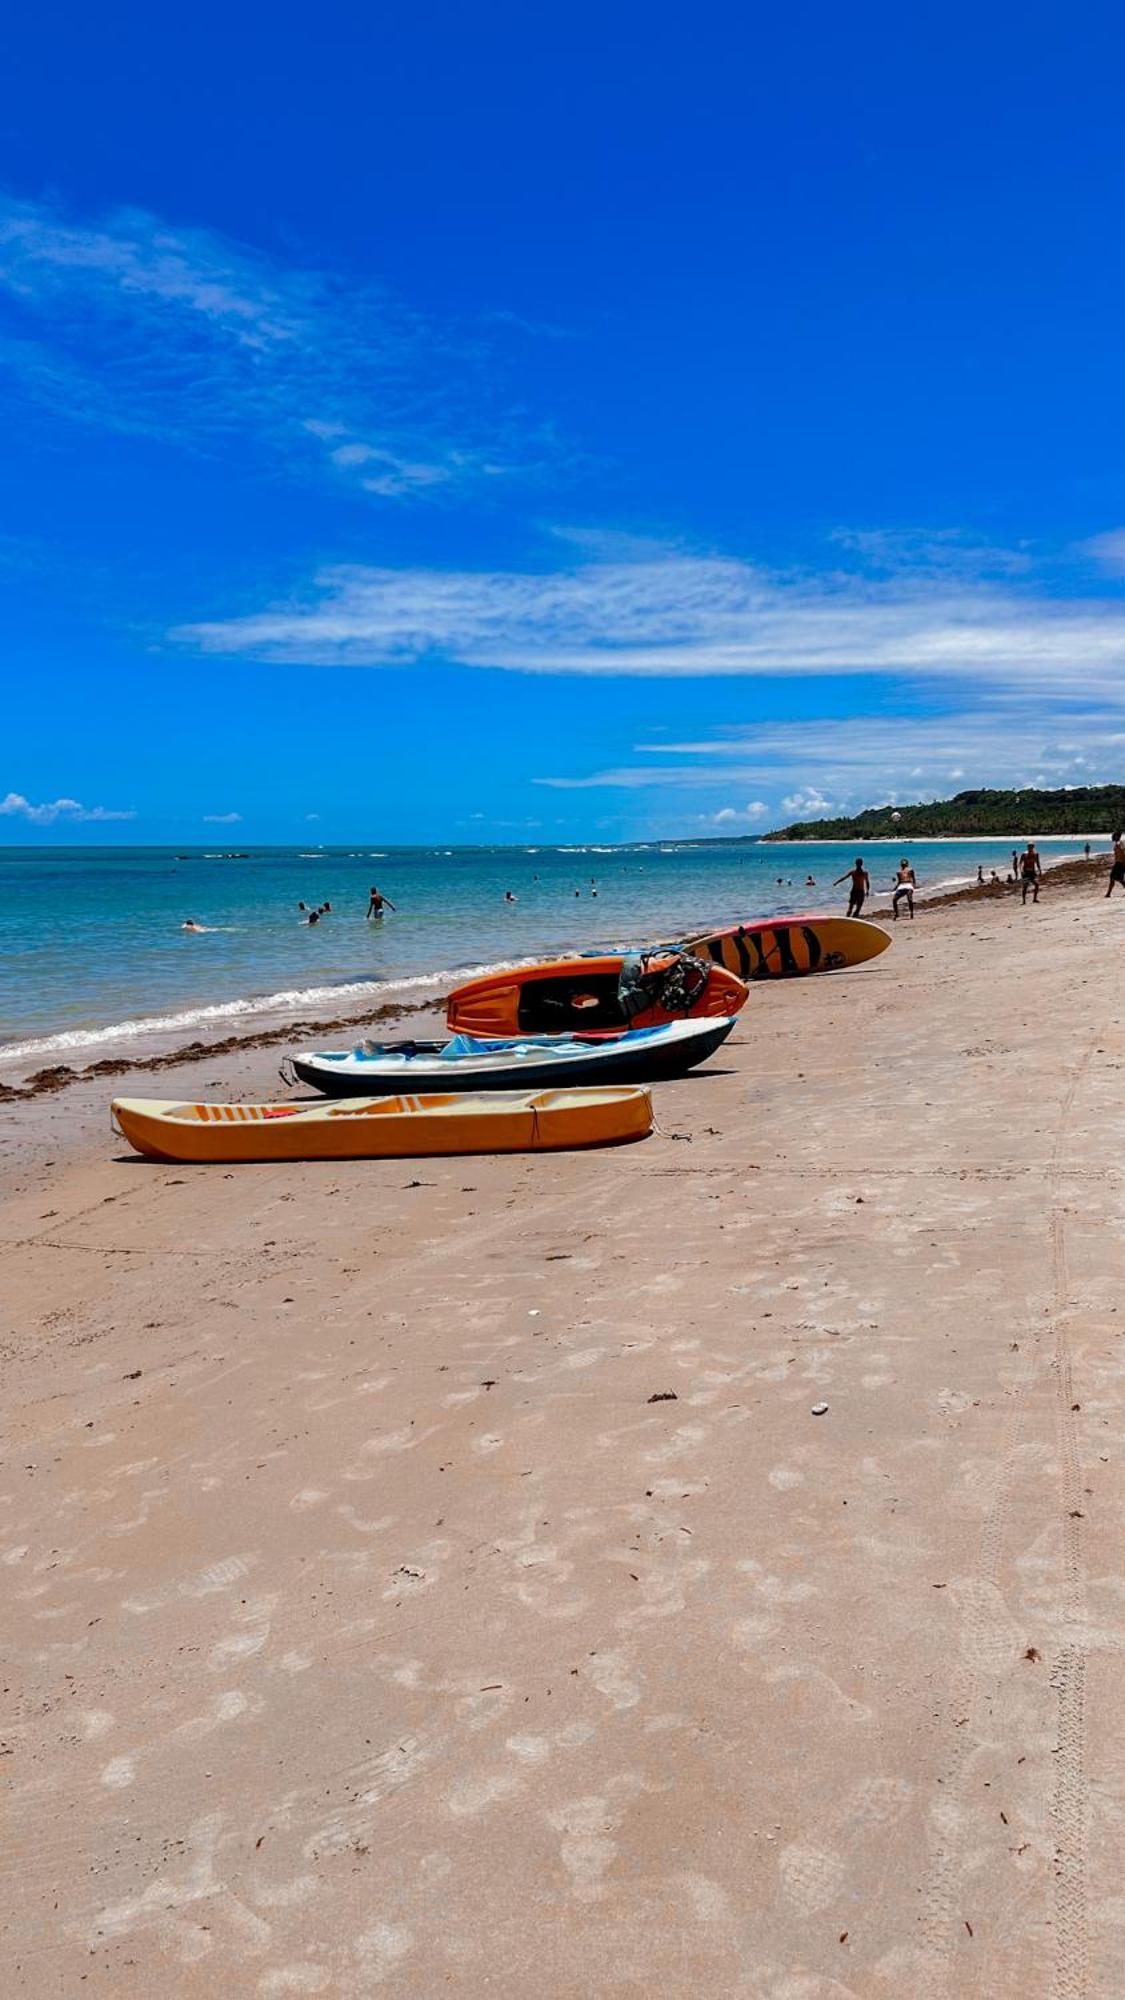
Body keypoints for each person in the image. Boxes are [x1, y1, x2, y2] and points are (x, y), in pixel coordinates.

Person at [1106, 831, 1125, 898]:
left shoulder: (1120, 843)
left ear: (1117, 836)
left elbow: (1123, 853)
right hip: (1118, 863)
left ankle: (1108, 894)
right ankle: (1108, 894)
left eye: (1114, 835)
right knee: (1115, 878)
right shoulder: (1117, 843)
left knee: (1116, 878)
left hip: (1120, 863)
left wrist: (1123, 863)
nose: (1112, 836)